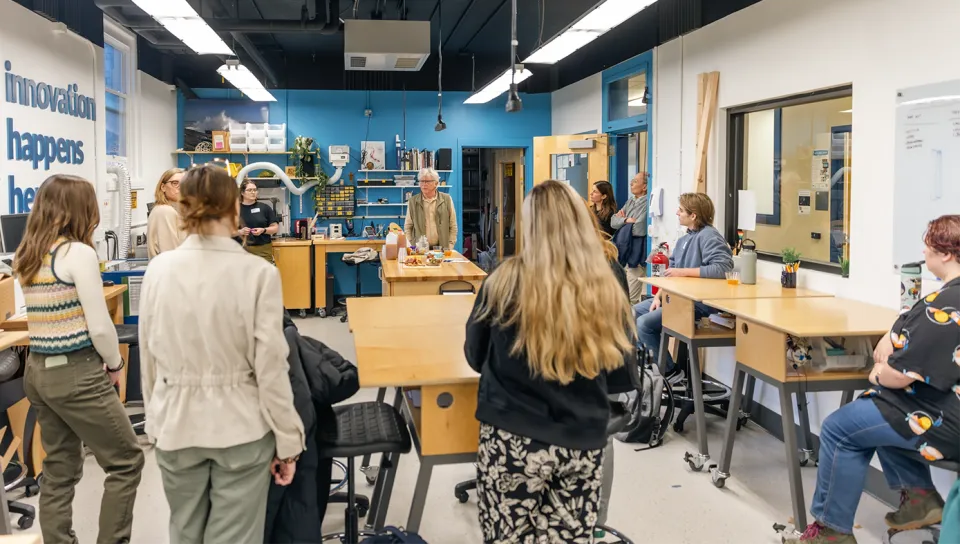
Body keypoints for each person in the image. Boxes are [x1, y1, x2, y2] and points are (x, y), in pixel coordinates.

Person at [465, 179, 639, 543]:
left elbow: (475, 356)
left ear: (530, 225)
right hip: (582, 439)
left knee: (506, 536)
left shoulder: (503, 281)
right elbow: (622, 377)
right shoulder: (607, 281)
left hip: (513, 438)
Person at [140, 165, 305, 544]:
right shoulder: (256, 273)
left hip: (175, 426)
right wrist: (288, 441)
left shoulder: (159, 271)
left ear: (184, 207)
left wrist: (155, 419)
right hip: (240, 428)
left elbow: (149, 360)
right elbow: (270, 369)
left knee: (184, 533)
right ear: (234, 208)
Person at [785, 215, 960, 544]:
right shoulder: (946, 299)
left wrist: (878, 371)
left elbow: (897, 375)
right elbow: (915, 323)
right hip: (947, 405)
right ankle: (920, 500)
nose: (924, 252)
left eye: (929, 245)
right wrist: (895, 329)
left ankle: (830, 533)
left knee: (841, 427)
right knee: (876, 412)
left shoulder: (946, 305)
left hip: (947, 421)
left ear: (946, 253)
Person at [13, 174, 144, 544]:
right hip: (75, 372)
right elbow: (100, 327)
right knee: (126, 461)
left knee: (59, 469)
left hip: (38, 371)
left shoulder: (28, 253)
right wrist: (116, 365)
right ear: (78, 209)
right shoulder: (79, 253)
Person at [633, 192, 733, 371]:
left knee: (645, 324)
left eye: (681, 210)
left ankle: (669, 373)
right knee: (630, 315)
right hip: (676, 298)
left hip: (699, 303)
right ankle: (648, 370)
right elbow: (670, 276)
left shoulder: (709, 236)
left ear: (693, 215)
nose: (677, 213)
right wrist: (658, 297)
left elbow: (723, 268)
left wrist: (682, 272)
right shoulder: (683, 240)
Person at [611, 172, 650, 303]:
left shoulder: (647, 202)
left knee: (630, 298)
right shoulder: (631, 201)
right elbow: (613, 222)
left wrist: (622, 221)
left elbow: (638, 229)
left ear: (644, 187)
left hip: (637, 252)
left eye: (634, 181)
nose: (631, 183)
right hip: (625, 252)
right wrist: (626, 220)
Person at [404, 167, 458, 250]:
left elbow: (453, 225)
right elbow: (408, 226)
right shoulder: (412, 201)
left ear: (436, 183)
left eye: (427, 181)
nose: (424, 184)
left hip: (442, 249)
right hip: (420, 250)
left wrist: (450, 245)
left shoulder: (446, 199)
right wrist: (412, 245)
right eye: (421, 181)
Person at [238, 179, 280, 264]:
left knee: (265, 276)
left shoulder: (264, 208)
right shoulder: (235, 209)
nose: (253, 192)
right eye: (250, 190)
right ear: (242, 193)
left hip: (263, 250)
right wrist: (240, 231)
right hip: (241, 250)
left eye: (255, 190)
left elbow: (275, 228)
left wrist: (263, 230)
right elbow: (226, 232)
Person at [147, 167, 186, 259]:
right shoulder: (165, 211)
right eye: (175, 183)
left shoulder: (173, 210)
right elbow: (171, 255)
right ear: (163, 187)